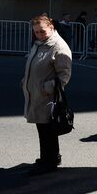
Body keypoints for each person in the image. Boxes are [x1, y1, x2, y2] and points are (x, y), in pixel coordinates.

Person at [22, 15, 72, 175]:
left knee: (47, 130)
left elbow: (64, 76)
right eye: (36, 32)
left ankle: (48, 161)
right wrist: (25, 82)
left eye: (42, 31)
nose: (39, 35)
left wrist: (45, 88)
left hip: (47, 97)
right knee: (43, 129)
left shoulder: (58, 47)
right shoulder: (39, 44)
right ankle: (51, 157)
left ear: (51, 28)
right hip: (36, 95)